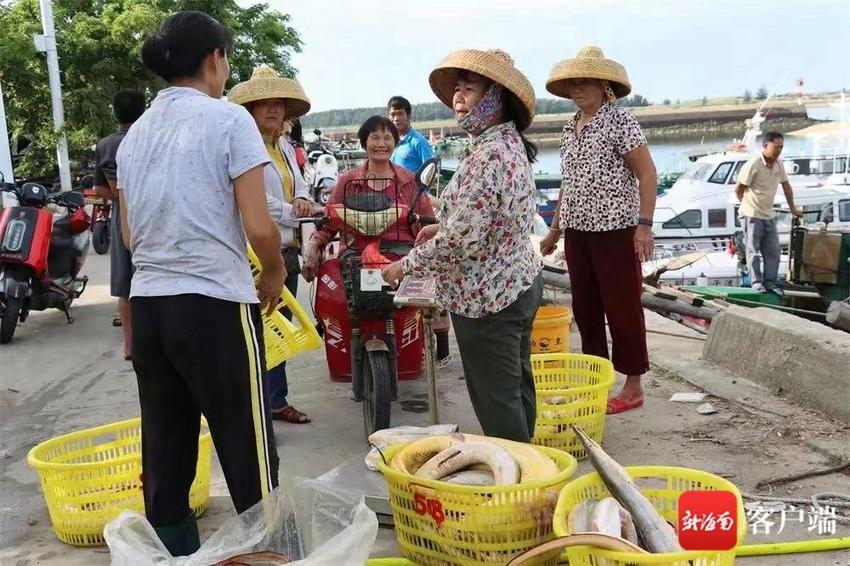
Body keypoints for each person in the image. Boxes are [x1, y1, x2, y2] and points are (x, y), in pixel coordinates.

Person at [116, 11, 284, 556]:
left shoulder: (135, 134)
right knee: (246, 444)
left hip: (151, 309)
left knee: (166, 447)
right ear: (215, 60)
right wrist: (275, 272)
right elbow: (259, 226)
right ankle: (268, 551)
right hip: (212, 304)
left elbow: (129, 233)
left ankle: (173, 553)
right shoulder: (228, 120)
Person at [382, 49, 543, 443]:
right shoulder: (503, 144)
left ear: (495, 99)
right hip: (514, 283)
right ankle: (531, 466)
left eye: (469, 90)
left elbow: (463, 239)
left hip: (489, 299)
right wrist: (440, 226)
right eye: (457, 89)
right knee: (517, 389)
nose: (458, 98)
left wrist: (407, 266)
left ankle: (521, 488)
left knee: (498, 401)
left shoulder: (490, 153)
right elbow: (487, 219)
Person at [540, 45, 657, 415]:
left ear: (604, 85)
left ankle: (633, 385)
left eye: (586, 82)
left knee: (622, 307)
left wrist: (645, 226)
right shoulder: (568, 127)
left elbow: (647, 173)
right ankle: (597, 380)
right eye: (573, 84)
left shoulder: (620, 122)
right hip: (578, 232)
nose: (578, 90)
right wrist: (554, 230)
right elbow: (568, 183)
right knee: (586, 308)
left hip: (616, 229)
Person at [228, 67, 322, 424]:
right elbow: (253, 202)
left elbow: (300, 184)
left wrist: (302, 199)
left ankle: (275, 399)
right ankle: (257, 406)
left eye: (279, 104)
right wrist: (291, 211)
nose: (274, 110)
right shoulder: (244, 146)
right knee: (257, 330)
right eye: (264, 104)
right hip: (256, 252)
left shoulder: (282, 147)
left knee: (280, 327)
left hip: (287, 250)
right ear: (250, 110)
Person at [302, 116, 435, 280]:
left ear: (395, 143)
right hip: (355, 256)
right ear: (364, 143)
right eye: (375, 137)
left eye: (387, 138)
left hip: (403, 258)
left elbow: (428, 223)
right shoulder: (348, 181)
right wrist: (312, 246)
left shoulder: (409, 180)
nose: (381, 144)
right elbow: (327, 223)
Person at [92, 89, 145, 361]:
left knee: (125, 282)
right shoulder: (149, 137)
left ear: (115, 113)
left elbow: (100, 188)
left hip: (120, 216)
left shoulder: (105, 145)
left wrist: (118, 193)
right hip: (154, 213)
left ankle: (129, 345)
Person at [734, 132, 802, 295]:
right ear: (766, 145)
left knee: (773, 251)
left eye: (781, 148)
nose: (779, 150)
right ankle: (757, 283)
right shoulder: (753, 164)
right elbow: (738, 188)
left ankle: (770, 283)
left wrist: (793, 208)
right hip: (751, 213)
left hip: (768, 214)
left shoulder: (779, 164)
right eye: (776, 147)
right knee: (753, 250)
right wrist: (747, 204)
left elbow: (786, 186)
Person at [388, 95, 434, 173]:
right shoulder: (389, 142)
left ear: (409, 116)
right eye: (392, 115)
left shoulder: (418, 142)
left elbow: (430, 173)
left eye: (400, 114)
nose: (396, 119)